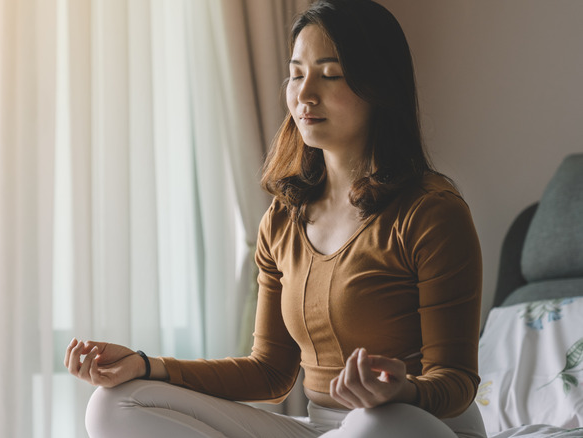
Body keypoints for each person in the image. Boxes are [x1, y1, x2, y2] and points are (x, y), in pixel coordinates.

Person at [65, 0, 487, 437]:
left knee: (372, 425)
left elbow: (456, 381)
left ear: (379, 85)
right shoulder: (283, 220)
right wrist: (145, 364)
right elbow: (269, 373)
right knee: (116, 402)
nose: (304, 94)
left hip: (417, 425)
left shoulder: (432, 212)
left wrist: (404, 392)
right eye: (297, 73)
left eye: (330, 74)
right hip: (323, 429)